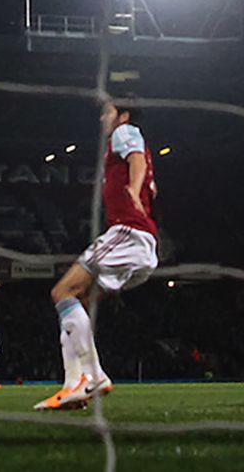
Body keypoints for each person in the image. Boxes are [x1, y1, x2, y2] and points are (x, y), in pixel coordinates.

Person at [35, 101, 158, 411]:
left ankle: (94, 375)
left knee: (62, 292)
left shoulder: (124, 132)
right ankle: (72, 387)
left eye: (108, 112)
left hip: (127, 233)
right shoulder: (127, 144)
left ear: (123, 115)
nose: (103, 118)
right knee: (75, 303)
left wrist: (133, 189)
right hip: (141, 244)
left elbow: (136, 160)